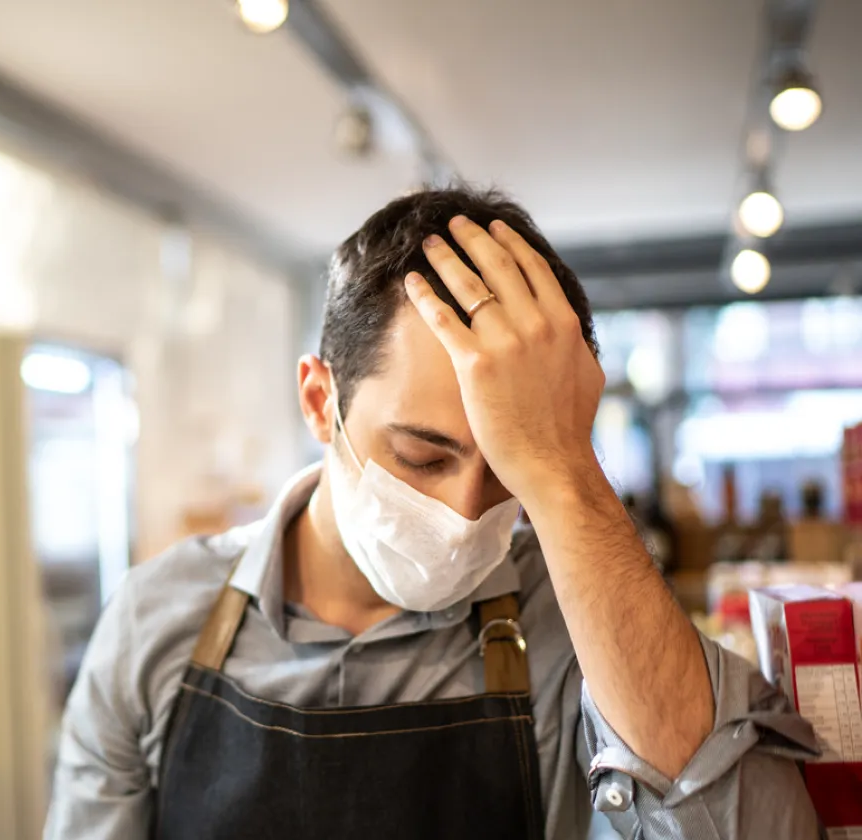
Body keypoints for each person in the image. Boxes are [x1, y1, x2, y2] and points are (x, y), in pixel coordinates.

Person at [44, 188, 819, 839]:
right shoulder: (159, 619)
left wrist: (565, 472)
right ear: (321, 401)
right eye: (422, 455)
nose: (462, 512)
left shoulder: (582, 630)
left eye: (506, 467)